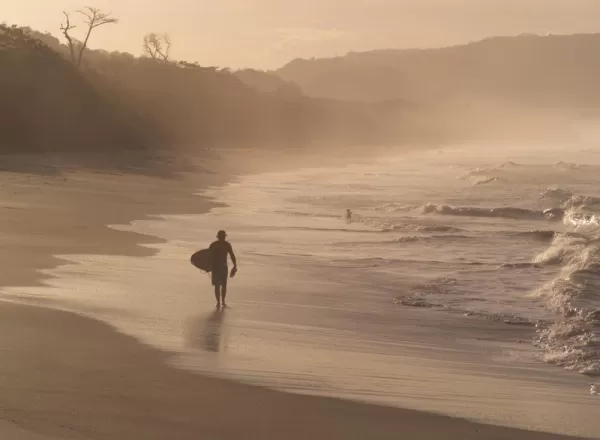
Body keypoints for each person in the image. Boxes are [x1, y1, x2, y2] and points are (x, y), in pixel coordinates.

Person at [209, 230, 237, 308]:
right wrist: (207, 267)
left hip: (223, 267)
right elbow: (208, 256)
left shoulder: (226, 245)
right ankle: (218, 302)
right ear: (219, 237)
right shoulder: (214, 245)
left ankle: (223, 301)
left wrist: (235, 265)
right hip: (216, 267)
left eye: (224, 237)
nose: (223, 238)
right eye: (222, 237)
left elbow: (232, 255)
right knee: (217, 286)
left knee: (223, 285)